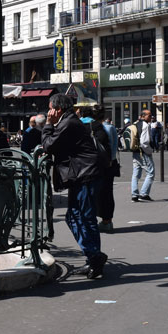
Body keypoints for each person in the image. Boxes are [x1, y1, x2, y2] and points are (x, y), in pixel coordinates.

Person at [41, 93, 107, 279]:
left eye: (50, 108)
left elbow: (48, 145)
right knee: (75, 216)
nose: (48, 111)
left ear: (57, 109)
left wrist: (47, 124)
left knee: (84, 217)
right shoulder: (68, 121)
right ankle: (93, 256)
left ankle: (95, 257)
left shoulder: (68, 123)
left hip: (85, 175)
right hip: (81, 175)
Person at [80, 106, 118, 233]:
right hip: (108, 163)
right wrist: (111, 161)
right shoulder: (109, 127)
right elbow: (113, 147)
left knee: (92, 192)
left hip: (91, 164)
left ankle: (91, 221)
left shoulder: (87, 126)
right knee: (107, 192)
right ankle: (107, 221)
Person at [128, 109, 160, 202]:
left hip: (136, 151)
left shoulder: (136, 124)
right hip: (143, 152)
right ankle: (144, 194)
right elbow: (144, 142)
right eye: (149, 115)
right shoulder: (145, 126)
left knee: (136, 174)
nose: (151, 117)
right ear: (143, 116)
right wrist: (149, 151)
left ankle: (134, 195)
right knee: (151, 172)